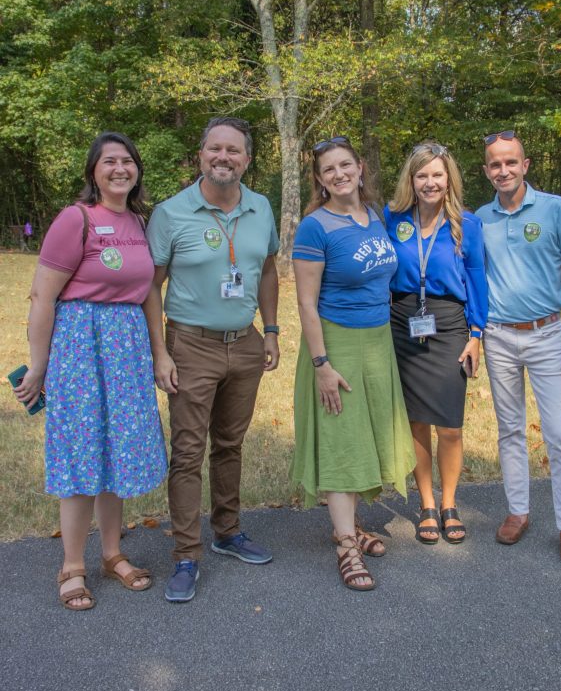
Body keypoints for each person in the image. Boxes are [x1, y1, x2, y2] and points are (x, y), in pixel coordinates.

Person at [14, 132, 167, 610]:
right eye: (109, 162)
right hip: (80, 346)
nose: (120, 168)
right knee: (82, 454)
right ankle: (72, 565)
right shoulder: (75, 219)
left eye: (128, 161)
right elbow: (43, 297)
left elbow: (148, 292)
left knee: (116, 451)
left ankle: (112, 553)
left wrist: (160, 353)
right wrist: (39, 365)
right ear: (93, 171)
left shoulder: (141, 222)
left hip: (126, 350)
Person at [144, 116, 280, 603]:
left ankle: (227, 532)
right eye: (215, 149)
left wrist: (271, 330)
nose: (224, 158)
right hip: (190, 345)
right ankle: (186, 554)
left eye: (234, 151)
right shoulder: (171, 212)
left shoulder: (261, 207)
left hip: (244, 342)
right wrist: (160, 351)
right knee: (187, 451)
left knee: (230, 443)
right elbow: (150, 288)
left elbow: (267, 270)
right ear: (201, 155)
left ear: (247, 159)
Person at [291, 136, 415, 592]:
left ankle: (352, 525)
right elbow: (305, 303)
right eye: (329, 170)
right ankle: (346, 544)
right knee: (342, 438)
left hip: (377, 341)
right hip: (336, 344)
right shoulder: (314, 227)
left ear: (360, 167)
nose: (339, 174)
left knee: (367, 433)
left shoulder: (376, 217)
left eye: (345, 165)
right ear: (320, 181)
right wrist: (322, 362)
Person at [476, 130, 561, 563]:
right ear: (486, 171)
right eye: (495, 164)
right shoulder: (479, 218)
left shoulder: (554, 209)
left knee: (558, 433)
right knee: (509, 429)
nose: (503, 170)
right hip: (498, 336)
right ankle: (518, 511)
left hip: (546, 335)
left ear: (525, 165)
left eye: (511, 162)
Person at [384, 142, 488, 545]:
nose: (430, 182)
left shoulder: (467, 223)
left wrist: (476, 335)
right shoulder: (393, 219)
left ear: (449, 180)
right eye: (422, 175)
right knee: (416, 422)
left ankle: (449, 502)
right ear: (411, 180)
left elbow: (478, 281)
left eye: (437, 175)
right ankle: (427, 503)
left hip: (448, 325)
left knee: (449, 426)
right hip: (402, 323)